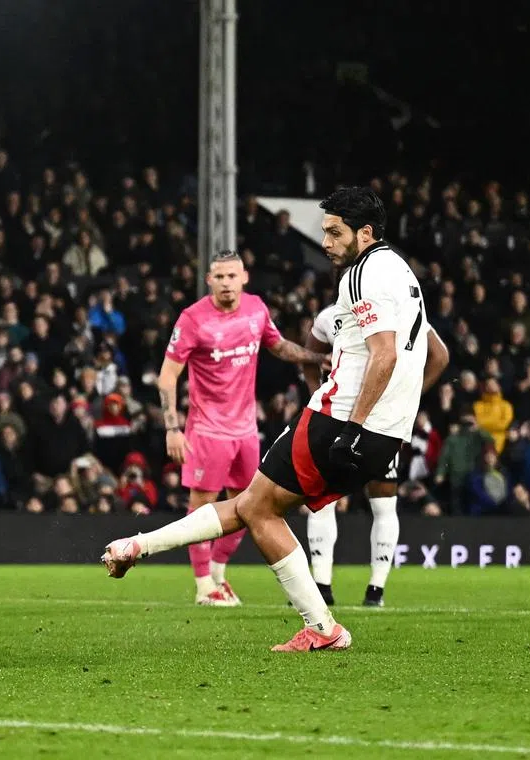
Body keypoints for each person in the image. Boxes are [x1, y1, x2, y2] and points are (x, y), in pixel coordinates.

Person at [103, 186, 428, 651]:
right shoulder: (401, 271)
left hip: (340, 421)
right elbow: (420, 354)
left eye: (335, 232)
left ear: (365, 233)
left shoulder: (362, 273)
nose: (326, 242)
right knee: (255, 506)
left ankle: (321, 627)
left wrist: (352, 426)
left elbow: (385, 354)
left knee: (255, 507)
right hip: (388, 434)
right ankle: (137, 547)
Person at [158, 250, 325, 606]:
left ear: (244, 277)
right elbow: (167, 376)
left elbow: (278, 346)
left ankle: (218, 573)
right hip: (206, 431)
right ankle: (203, 585)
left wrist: (314, 358)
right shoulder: (193, 319)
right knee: (202, 507)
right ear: (209, 280)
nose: (226, 283)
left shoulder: (256, 309)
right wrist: (173, 428)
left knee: (251, 506)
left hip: (246, 430)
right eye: (219, 277)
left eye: (232, 276)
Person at [303, 301, 450, 606]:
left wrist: (410, 393)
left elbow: (440, 356)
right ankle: (350, 589)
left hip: (373, 421)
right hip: (353, 419)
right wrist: (313, 391)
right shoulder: (339, 315)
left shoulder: (390, 312)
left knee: (372, 503)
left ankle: (348, 588)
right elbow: (309, 355)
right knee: (351, 503)